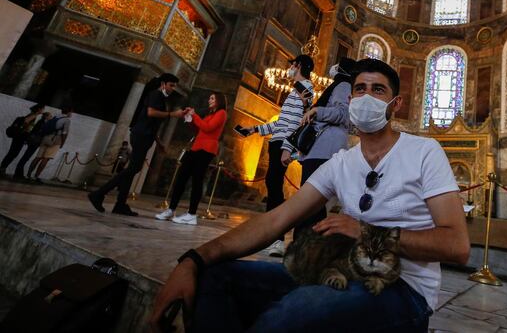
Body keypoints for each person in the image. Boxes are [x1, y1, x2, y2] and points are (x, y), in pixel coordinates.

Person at [149, 59, 470, 333]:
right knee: (216, 278)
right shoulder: (340, 163)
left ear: (395, 104)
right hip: (342, 273)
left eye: (378, 90)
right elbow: (278, 218)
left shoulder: (424, 152)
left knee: (292, 313)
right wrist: (195, 258)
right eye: (360, 89)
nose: (366, 97)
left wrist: (368, 233)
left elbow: (456, 246)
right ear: (350, 98)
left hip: (403, 290)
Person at [240, 54, 314, 257]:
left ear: (298, 66)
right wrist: (254, 129)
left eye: (292, 65)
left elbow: (298, 123)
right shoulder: (294, 91)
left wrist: (287, 148)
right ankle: (271, 235)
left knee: (275, 188)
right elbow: (281, 123)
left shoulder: (306, 89)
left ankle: (278, 239)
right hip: (276, 142)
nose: (289, 69)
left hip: (282, 144)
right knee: (272, 187)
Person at [88, 73, 187, 216]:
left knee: (133, 169)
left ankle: (120, 204)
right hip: (141, 135)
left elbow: (153, 124)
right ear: (163, 84)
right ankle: (99, 193)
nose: (172, 88)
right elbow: (151, 113)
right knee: (134, 168)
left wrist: (159, 142)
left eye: (174, 86)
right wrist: (173, 114)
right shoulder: (156, 95)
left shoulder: (161, 98)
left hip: (146, 136)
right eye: (171, 85)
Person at [292, 57, 357, 233]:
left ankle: (307, 245)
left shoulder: (343, 85)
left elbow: (342, 114)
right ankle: (307, 244)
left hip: (324, 149)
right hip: (320, 147)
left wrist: (317, 110)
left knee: (310, 204)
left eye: (338, 65)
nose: (333, 67)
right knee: (311, 204)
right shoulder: (339, 86)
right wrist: (308, 105)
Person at [155, 92, 228, 226]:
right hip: (196, 148)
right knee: (181, 177)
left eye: (212, 98)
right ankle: (171, 209)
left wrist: (195, 115)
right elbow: (200, 129)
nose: (209, 100)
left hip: (206, 150)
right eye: (209, 97)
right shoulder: (210, 114)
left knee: (197, 180)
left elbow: (208, 128)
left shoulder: (221, 113)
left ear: (219, 100)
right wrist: (190, 118)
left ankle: (191, 214)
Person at [26, 105, 73, 182]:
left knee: (38, 157)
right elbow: (64, 132)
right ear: (69, 112)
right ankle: (36, 176)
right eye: (71, 112)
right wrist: (62, 143)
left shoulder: (55, 117)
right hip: (56, 141)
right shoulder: (66, 120)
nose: (72, 114)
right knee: (45, 159)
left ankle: (28, 174)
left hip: (45, 138)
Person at [1, 103, 44, 177]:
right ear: (39, 109)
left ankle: (2, 168)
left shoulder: (33, 115)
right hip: (20, 137)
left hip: (20, 137)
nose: (43, 110)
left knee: (13, 153)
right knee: (13, 153)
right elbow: (25, 123)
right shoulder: (33, 115)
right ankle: (2, 169)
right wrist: (26, 133)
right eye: (42, 109)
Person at [10, 111, 51, 181]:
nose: (51, 117)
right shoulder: (42, 123)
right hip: (34, 142)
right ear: (46, 117)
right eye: (50, 116)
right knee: (26, 157)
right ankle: (18, 173)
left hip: (33, 141)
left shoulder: (41, 122)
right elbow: (38, 132)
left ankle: (19, 172)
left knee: (26, 157)